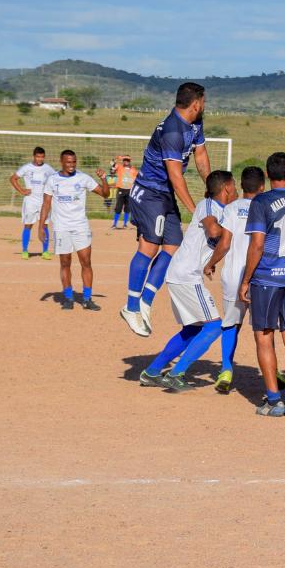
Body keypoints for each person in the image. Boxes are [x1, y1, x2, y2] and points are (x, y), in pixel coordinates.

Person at [121, 82, 210, 337]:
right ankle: (130, 307)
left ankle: (145, 302)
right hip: (150, 193)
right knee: (148, 248)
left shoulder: (196, 123)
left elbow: (201, 155)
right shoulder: (172, 131)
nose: (204, 106)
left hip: (165, 194)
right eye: (203, 102)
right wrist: (196, 211)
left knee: (173, 247)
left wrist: (211, 187)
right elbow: (175, 177)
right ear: (196, 103)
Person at [139, 170, 237, 390]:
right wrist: (233, 231)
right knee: (214, 327)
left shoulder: (220, 209)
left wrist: (211, 261)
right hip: (186, 275)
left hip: (181, 274)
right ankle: (176, 374)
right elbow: (213, 231)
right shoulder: (209, 205)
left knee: (192, 329)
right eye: (235, 186)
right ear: (227, 188)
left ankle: (152, 371)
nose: (237, 191)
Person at [240, 152, 285, 417]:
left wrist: (246, 279)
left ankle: (273, 399)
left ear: (267, 176)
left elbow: (257, 244)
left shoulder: (261, 201)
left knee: (264, 336)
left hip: (268, 276)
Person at [203, 166, 265, 393]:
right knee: (264, 328)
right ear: (262, 186)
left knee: (231, 324)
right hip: (259, 275)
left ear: (241, 185)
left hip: (233, 276)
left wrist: (211, 263)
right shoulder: (266, 206)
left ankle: (226, 370)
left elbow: (225, 243)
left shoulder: (231, 208)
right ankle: (274, 371)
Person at [36, 150, 110, 310]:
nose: (71, 165)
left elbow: (105, 194)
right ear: (61, 162)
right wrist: (42, 225)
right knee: (65, 263)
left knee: (86, 262)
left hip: (80, 226)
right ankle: (68, 298)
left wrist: (104, 179)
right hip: (61, 227)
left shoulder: (83, 178)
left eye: (74, 162)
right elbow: (46, 204)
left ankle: (87, 299)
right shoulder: (52, 180)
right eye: (68, 162)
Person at [10, 146, 56, 260]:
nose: (40, 159)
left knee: (44, 225)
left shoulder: (48, 169)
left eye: (42, 157)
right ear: (34, 156)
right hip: (30, 201)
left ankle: (45, 252)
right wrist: (22, 190)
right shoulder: (26, 168)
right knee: (28, 225)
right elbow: (13, 178)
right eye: (38, 156)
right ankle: (25, 251)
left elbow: (56, 180)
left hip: (44, 201)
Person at [112, 156, 138, 229]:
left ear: (130, 161)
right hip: (121, 189)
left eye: (128, 160)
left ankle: (125, 224)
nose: (126, 161)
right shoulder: (119, 167)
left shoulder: (133, 170)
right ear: (123, 161)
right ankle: (114, 224)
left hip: (130, 190)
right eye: (125, 160)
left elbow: (137, 179)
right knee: (118, 208)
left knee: (127, 208)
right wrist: (118, 158)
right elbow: (112, 163)